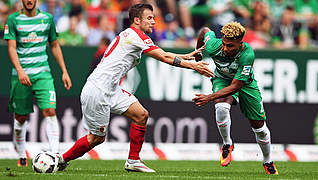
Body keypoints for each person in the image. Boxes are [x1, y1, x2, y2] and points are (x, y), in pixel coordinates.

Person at [57, 3, 213, 173]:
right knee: (96, 138)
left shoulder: (134, 35)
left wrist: (187, 56)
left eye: (153, 18)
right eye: (149, 18)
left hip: (110, 88)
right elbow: (164, 57)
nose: (153, 21)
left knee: (141, 115)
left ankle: (133, 160)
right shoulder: (136, 36)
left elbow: (164, 53)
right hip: (98, 89)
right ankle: (61, 159)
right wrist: (194, 66)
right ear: (137, 20)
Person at [192, 22, 279, 175]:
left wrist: (208, 97)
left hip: (244, 84)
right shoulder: (214, 45)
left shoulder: (248, 54)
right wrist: (197, 51)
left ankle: (268, 161)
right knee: (221, 107)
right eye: (224, 44)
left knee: (259, 128)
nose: (225, 49)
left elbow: (236, 86)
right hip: (222, 79)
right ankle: (227, 144)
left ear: (241, 43)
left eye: (230, 46)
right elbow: (205, 30)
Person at [4, 0, 72, 167]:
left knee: (50, 110)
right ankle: (21, 154)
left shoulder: (47, 19)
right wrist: (20, 70)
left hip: (43, 73)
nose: (29, 0)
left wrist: (64, 70)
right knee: (20, 117)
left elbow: (54, 45)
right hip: (21, 75)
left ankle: (55, 155)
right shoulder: (13, 19)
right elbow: (11, 48)